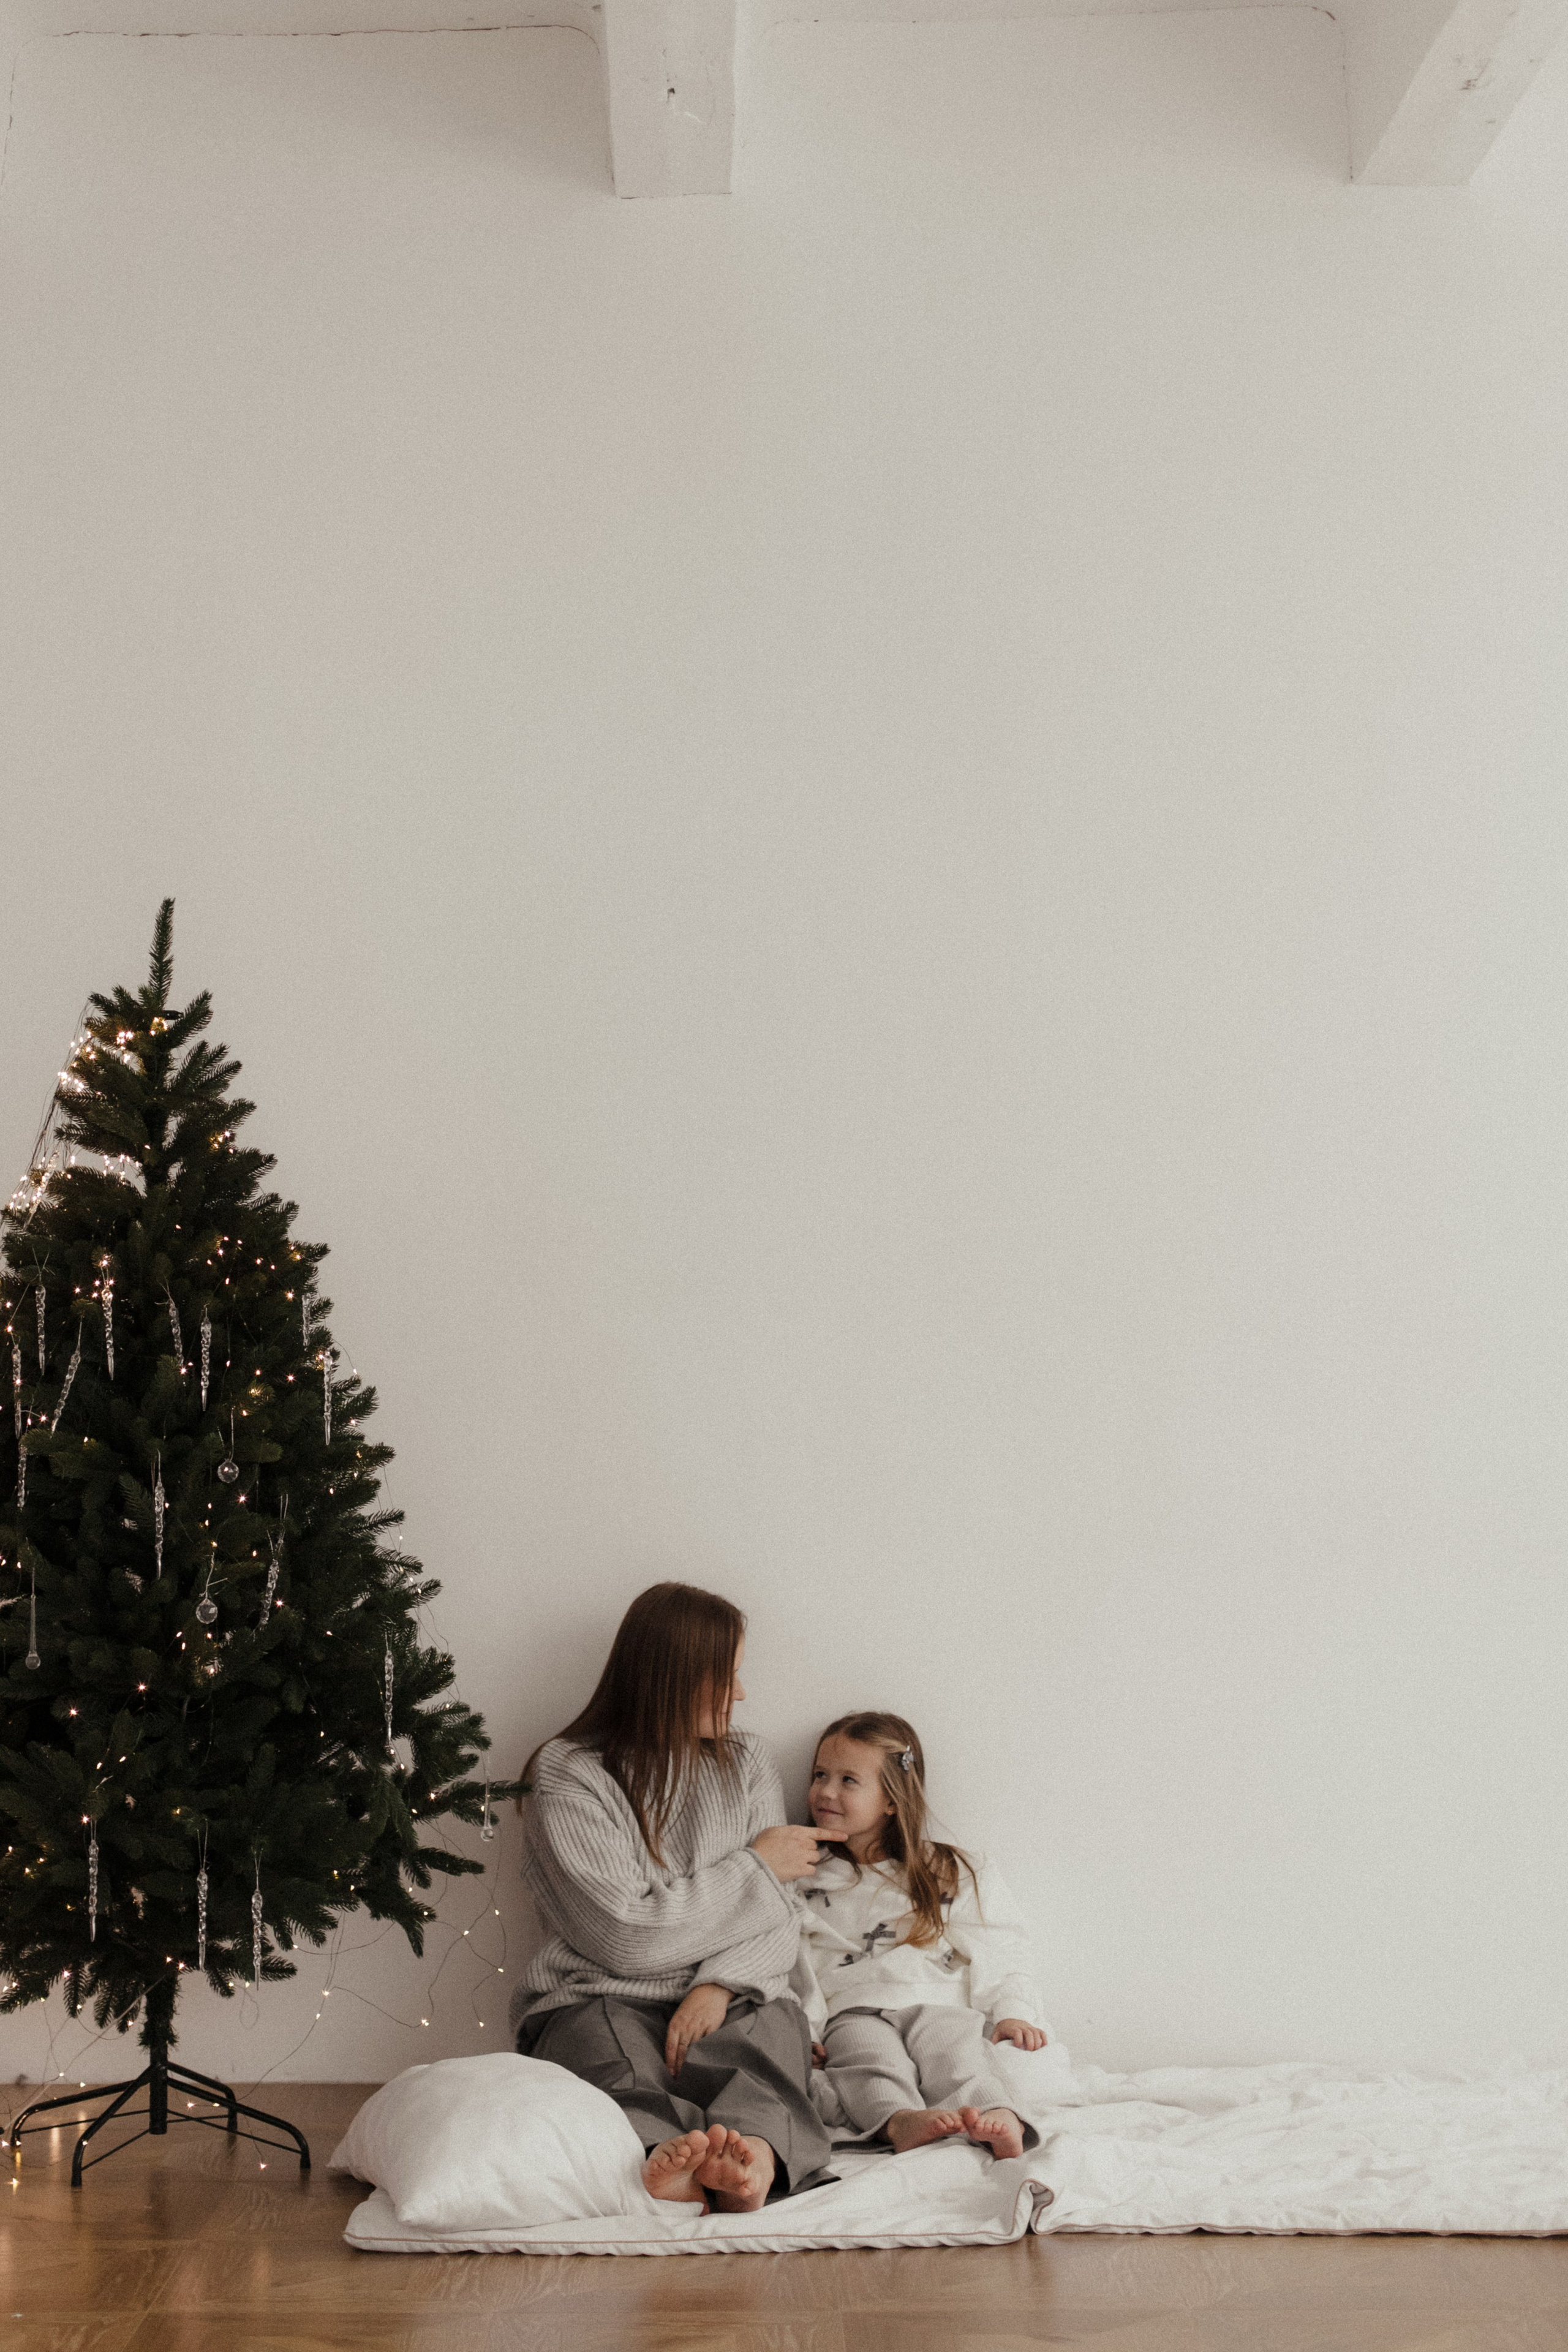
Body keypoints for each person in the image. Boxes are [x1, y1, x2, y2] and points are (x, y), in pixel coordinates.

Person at [513, 1581, 832, 2211]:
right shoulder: (568, 1773)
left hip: (730, 1995)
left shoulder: (747, 1762)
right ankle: (667, 2160)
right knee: (612, 2056)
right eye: (725, 1676)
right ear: (671, 1676)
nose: (741, 1695)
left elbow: (781, 1917)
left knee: (769, 2036)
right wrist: (756, 1869)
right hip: (599, 1992)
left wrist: (719, 1985)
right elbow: (625, 1937)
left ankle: (756, 2161)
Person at [793, 1711, 1049, 2159]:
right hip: (854, 2007)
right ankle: (900, 2120)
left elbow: (999, 1944)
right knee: (866, 2060)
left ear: (892, 1800)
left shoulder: (950, 1869)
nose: (826, 1791)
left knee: (958, 2056)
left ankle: (1000, 2116)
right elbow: (795, 1960)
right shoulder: (804, 1876)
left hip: (937, 2000)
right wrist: (808, 2026)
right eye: (820, 1774)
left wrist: (1011, 2010)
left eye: (849, 1780)